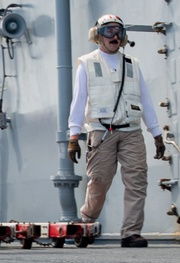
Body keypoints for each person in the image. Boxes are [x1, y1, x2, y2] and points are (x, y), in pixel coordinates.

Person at [67, 13, 166, 248]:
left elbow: (146, 101)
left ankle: (131, 232)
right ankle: (87, 221)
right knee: (99, 180)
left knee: (136, 179)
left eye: (118, 31)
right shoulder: (87, 64)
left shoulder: (132, 64)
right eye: (108, 31)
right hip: (101, 132)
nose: (114, 36)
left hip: (131, 131)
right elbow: (78, 101)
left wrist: (156, 134)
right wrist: (73, 137)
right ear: (98, 36)